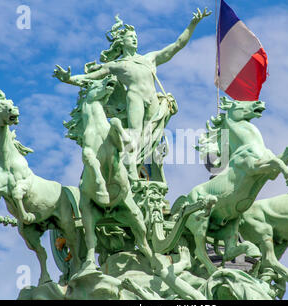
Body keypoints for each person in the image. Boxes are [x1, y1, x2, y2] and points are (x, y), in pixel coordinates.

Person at [53, 8, 211, 180]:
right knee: (136, 135)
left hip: (153, 101)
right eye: (131, 37)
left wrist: (193, 24)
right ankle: (130, 171)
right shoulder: (117, 65)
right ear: (121, 42)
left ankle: (144, 172)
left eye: (136, 37)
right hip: (135, 98)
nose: (135, 39)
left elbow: (177, 45)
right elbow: (88, 77)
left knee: (151, 137)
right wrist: (68, 79)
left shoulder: (149, 58)